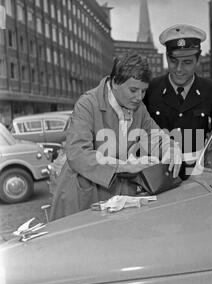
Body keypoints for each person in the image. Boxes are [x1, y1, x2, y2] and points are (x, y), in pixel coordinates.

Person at [49, 52, 182, 221]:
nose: (139, 97)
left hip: (118, 197)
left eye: (143, 91)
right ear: (115, 82)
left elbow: (154, 136)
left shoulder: (138, 108)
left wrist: (171, 149)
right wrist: (125, 166)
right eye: (133, 90)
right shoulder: (87, 104)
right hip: (83, 196)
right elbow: (77, 153)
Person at [144, 24, 212, 179]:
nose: (179, 69)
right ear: (167, 57)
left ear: (198, 59)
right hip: (159, 176)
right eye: (174, 61)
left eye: (187, 62)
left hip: (195, 177)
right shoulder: (151, 89)